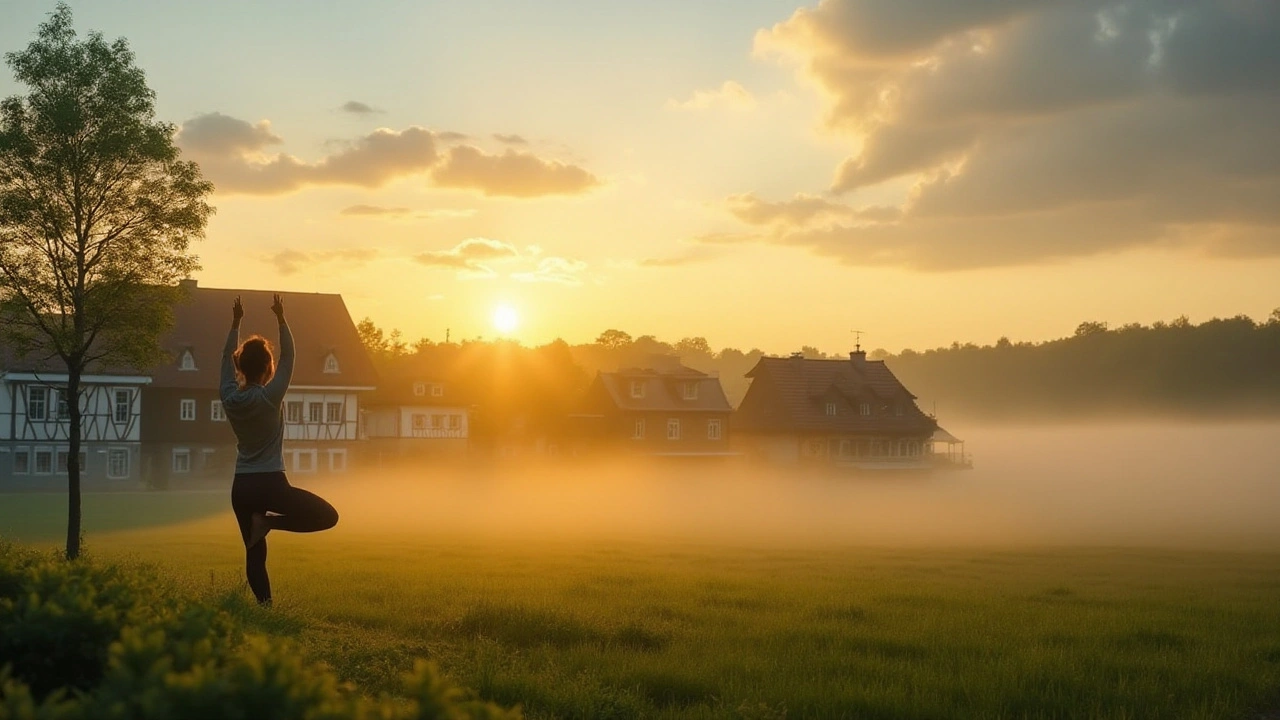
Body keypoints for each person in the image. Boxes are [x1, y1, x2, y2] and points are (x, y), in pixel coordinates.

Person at [222, 293, 338, 605]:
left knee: (254, 552)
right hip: (271, 482)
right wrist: (281, 318)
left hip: (241, 486)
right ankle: (270, 522)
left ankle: (265, 609)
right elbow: (289, 358)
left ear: (240, 366)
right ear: (268, 367)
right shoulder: (270, 397)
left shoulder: (229, 396)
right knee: (328, 516)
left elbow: (224, 361)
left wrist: (236, 322)